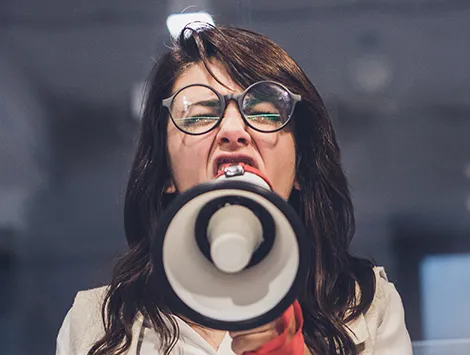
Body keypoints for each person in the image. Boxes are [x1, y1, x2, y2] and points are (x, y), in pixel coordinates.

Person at [56, 23, 412, 355]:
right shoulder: (97, 326)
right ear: (165, 172)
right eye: (197, 115)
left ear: (300, 166)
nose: (232, 129)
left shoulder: (364, 307)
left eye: (266, 112)